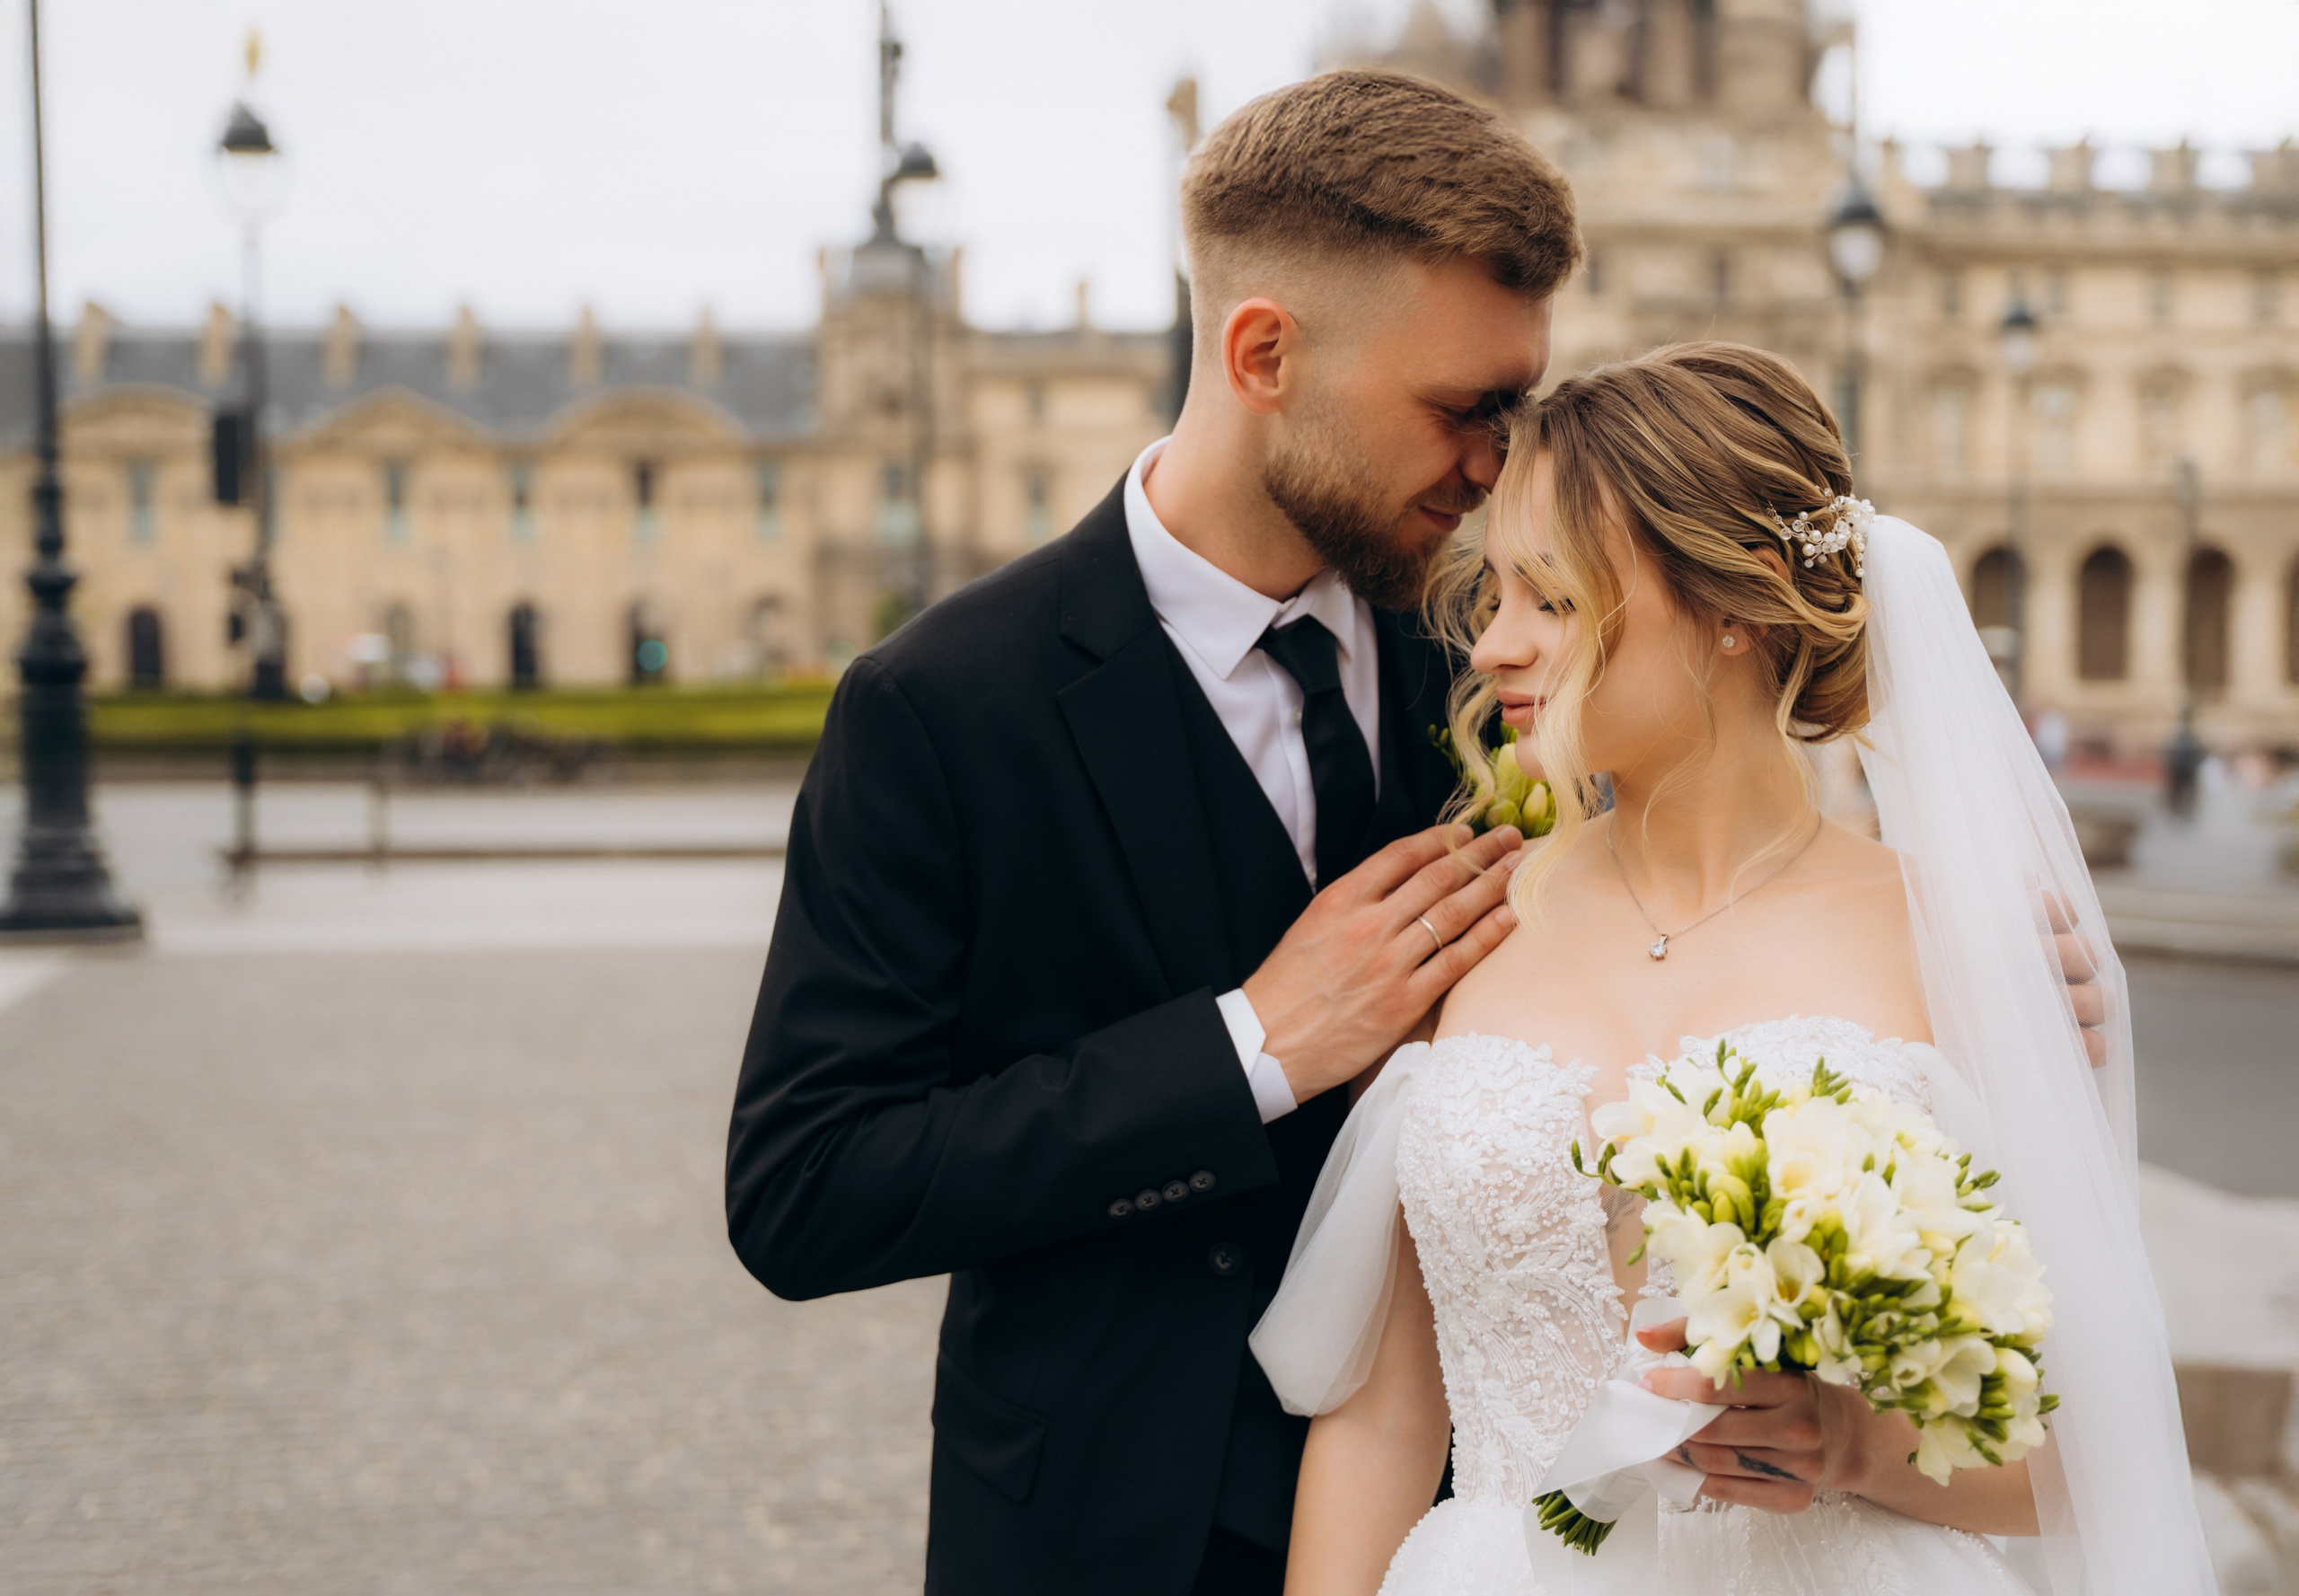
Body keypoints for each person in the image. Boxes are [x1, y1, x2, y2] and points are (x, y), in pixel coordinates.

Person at [725, 72, 1580, 1596]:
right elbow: (807, 1185)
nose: (1497, 465)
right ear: (1264, 354)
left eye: (1514, 412)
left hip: (1471, 1526)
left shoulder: (1505, 660)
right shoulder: (939, 706)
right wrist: (1251, 1046)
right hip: (1100, 1538)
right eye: (1463, 409)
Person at [1252, 343, 2215, 1594]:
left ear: (1737, 608)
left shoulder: (1966, 946)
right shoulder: (1466, 928)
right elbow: (1385, 1420)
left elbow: (2094, 1454)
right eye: (1492, 598)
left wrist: (1858, 1445)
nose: (1492, 648)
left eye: (1553, 600)